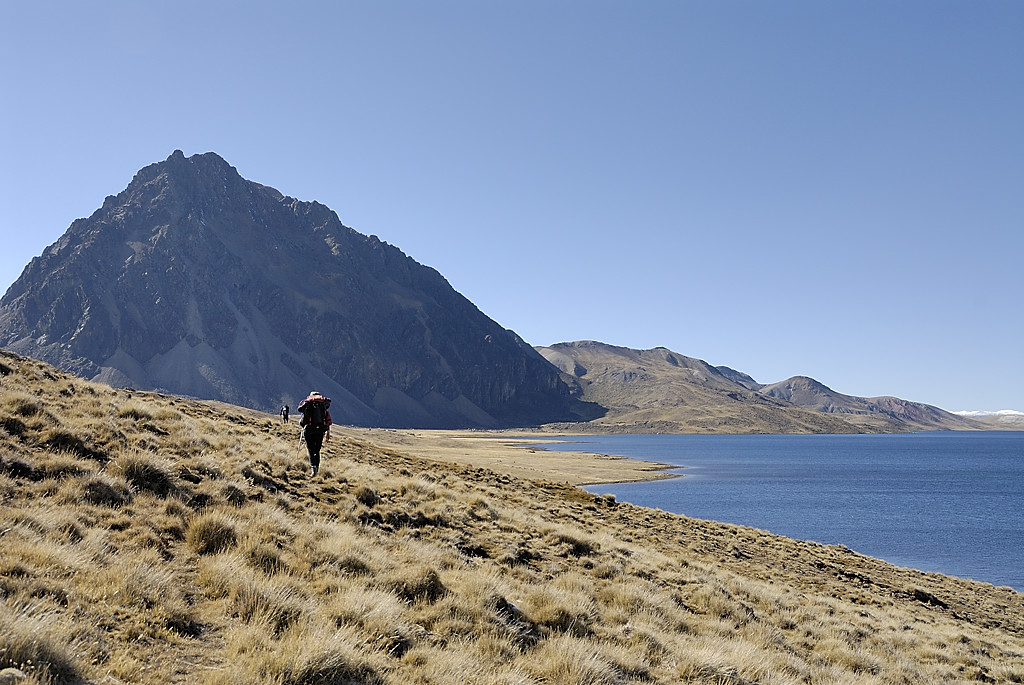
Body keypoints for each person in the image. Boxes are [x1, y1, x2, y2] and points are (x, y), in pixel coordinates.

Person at [297, 391, 331, 476]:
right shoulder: (323, 407)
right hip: (320, 431)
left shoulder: (308, 405)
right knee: (317, 450)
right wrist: (328, 433)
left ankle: (313, 469)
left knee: (311, 450)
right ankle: (317, 468)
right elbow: (328, 421)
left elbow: (302, 418)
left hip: (309, 430)